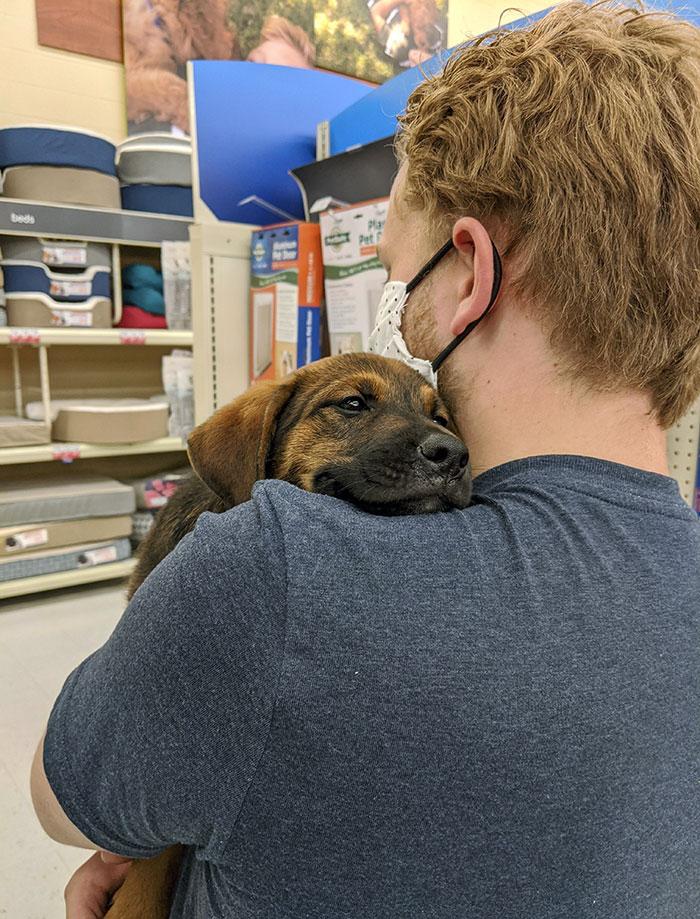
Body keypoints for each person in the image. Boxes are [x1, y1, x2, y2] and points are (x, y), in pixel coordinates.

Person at [31, 3, 700, 917]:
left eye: (397, 276)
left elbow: (64, 799)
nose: (396, 312)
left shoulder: (275, 569)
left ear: (468, 272)